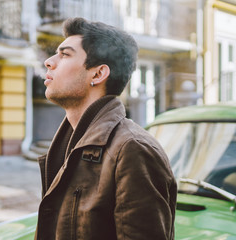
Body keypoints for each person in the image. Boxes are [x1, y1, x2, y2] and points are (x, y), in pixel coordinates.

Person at [35, 17, 177, 240]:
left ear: (98, 74)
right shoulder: (68, 141)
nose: (49, 62)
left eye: (65, 54)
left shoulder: (132, 149)